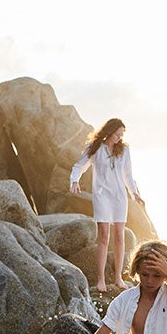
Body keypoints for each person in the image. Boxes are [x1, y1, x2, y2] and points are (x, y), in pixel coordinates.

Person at [70, 118, 144, 292]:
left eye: (121, 134)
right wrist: (74, 181)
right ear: (109, 131)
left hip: (119, 196)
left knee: (119, 235)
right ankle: (101, 279)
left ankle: (118, 277)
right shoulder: (95, 148)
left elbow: (128, 174)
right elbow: (79, 166)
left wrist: (134, 194)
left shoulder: (124, 150)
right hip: (102, 196)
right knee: (103, 236)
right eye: (117, 133)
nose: (119, 137)